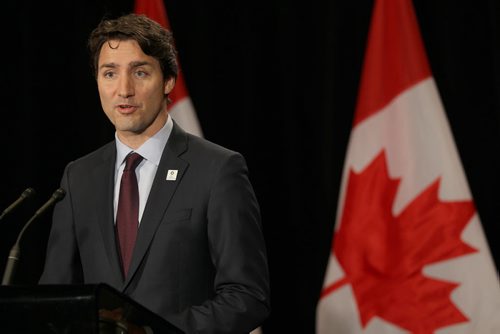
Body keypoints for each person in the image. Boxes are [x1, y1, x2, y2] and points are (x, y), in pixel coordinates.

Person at [39, 13, 270, 334]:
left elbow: (247, 296)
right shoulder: (78, 177)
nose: (124, 89)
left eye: (140, 72)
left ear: (168, 80)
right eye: (109, 73)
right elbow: (55, 295)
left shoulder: (218, 169)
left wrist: (153, 331)